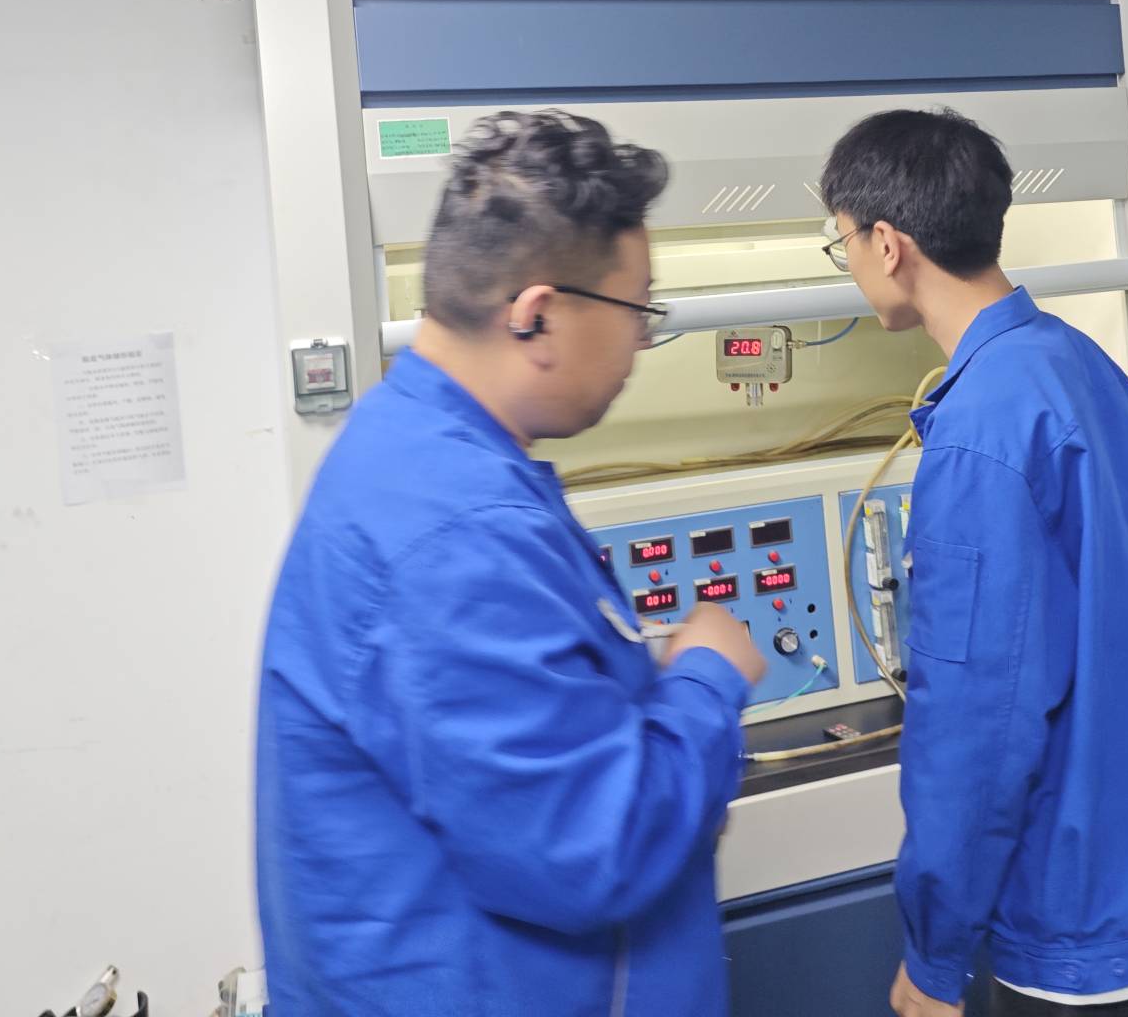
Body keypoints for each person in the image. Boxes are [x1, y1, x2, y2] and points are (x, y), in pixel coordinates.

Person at [255, 109, 766, 1017]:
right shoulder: (459, 534)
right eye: (639, 310)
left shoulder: (413, 452)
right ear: (537, 315)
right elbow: (592, 850)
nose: (641, 343)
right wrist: (705, 683)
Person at [819, 108, 1128, 1017]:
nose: (847, 262)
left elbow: (978, 724)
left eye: (840, 241)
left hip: (1077, 918)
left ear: (887, 243)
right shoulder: (1080, 363)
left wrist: (933, 954)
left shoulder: (980, 430)